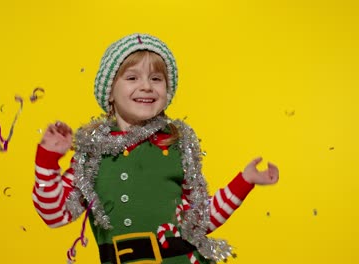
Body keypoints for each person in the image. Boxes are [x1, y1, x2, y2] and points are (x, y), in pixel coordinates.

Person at [33, 33, 279, 264]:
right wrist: (47, 160)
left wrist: (245, 180)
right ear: (110, 92)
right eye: (132, 78)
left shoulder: (176, 145)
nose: (147, 86)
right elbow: (54, 215)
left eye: (156, 78)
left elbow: (200, 221)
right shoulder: (91, 155)